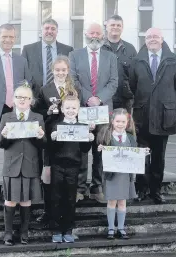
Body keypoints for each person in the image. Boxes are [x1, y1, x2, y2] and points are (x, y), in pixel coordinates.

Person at [69, 23, 118, 203]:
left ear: (103, 36)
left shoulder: (111, 57)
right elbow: (72, 79)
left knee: (101, 150)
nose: (94, 36)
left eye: (98, 33)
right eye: (91, 33)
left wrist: (99, 99)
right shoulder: (74, 55)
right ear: (85, 34)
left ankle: (97, 188)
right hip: (82, 108)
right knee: (81, 151)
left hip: (104, 110)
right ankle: (79, 188)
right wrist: (89, 98)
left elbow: (114, 82)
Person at [129, 27, 176, 204]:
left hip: (164, 116)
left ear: (162, 39)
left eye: (155, 36)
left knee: (159, 156)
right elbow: (133, 86)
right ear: (145, 40)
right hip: (143, 116)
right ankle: (141, 189)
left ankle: (156, 190)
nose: (152, 39)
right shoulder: (137, 61)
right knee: (142, 156)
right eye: (149, 37)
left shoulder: (173, 61)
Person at [0, 83, 46, 246]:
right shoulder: (6, 117)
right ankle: (8, 233)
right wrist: (3, 136)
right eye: (19, 97)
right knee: (10, 201)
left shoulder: (37, 118)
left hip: (30, 165)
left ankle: (24, 233)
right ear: (13, 99)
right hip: (11, 166)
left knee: (26, 201)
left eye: (26, 97)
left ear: (31, 100)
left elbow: (43, 144)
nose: (22, 100)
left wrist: (41, 136)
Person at [0, 24, 32, 200]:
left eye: (11, 37)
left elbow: (27, 85)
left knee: (14, 153)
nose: (7, 40)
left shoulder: (21, 60)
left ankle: (12, 190)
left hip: (15, 112)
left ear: (15, 38)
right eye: (4, 36)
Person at [36, 55, 79, 224]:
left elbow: (79, 111)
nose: (60, 73)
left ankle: (65, 213)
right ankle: (49, 211)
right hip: (51, 138)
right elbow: (39, 113)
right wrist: (48, 112)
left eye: (64, 70)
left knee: (67, 178)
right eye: (57, 70)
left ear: (68, 71)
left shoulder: (74, 89)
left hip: (70, 140)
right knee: (48, 175)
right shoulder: (45, 89)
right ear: (52, 70)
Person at [97, 108, 149, 239]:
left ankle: (121, 228)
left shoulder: (131, 138)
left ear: (127, 123)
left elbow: (134, 153)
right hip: (112, 175)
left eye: (123, 121)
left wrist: (143, 153)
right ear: (112, 121)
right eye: (117, 121)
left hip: (125, 176)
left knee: (122, 202)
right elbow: (103, 150)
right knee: (111, 202)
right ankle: (110, 229)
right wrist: (101, 149)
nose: (120, 124)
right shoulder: (107, 136)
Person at [50, 94, 94, 243]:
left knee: (70, 199)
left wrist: (89, 139)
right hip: (57, 166)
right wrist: (54, 138)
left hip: (74, 167)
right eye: (67, 107)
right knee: (56, 198)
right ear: (62, 109)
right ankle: (56, 229)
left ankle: (68, 229)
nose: (70, 110)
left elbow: (84, 149)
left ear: (78, 110)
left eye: (73, 108)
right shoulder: (56, 125)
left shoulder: (82, 126)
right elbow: (51, 149)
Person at [22, 18, 74, 98]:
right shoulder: (28, 50)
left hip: (61, 95)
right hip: (35, 97)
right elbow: (23, 74)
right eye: (46, 28)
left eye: (53, 29)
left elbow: (71, 73)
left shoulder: (68, 50)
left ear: (57, 32)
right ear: (41, 31)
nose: (49, 31)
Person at [102, 15, 137, 113]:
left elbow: (136, 73)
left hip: (125, 99)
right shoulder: (98, 47)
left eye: (118, 25)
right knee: (104, 127)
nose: (115, 27)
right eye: (112, 25)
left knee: (123, 127)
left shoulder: (130, 49)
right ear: (106, 27)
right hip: (103, 98)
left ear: (122, 28)